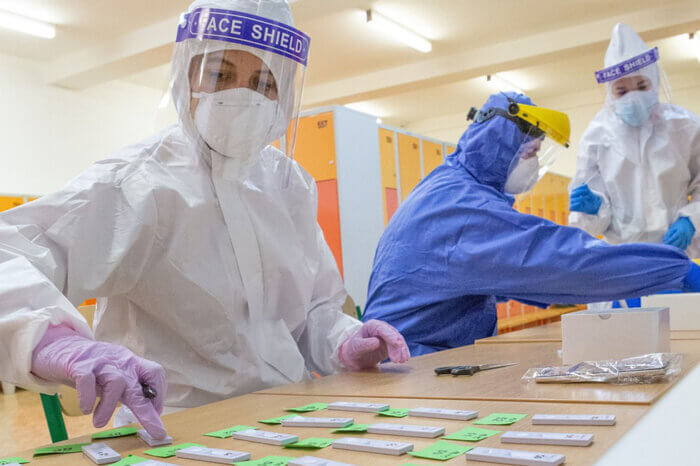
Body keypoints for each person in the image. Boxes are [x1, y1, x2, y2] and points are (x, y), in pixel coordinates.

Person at [0, 0, 409, 439]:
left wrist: (345, 340)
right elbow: (10, 252)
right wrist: (53, 341)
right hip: (175, 428)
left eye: (263, 81)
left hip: (291, 413)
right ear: (186, 77)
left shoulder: (291, 186)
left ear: (284, 93)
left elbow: (313, 310)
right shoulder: (138, 184)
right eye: (220, 74)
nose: (242, 96)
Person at [361, 91, 700, 356]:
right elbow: (566, 260)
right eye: (530, 152)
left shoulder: (449, 186)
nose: (534, 165)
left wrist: (550, 289)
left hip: (413, 361)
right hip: (412, 368)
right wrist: (675, 269)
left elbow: (499, 271)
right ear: (497, 147)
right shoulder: (463, 208)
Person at [569, 23, 700, 258]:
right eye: (622, 91)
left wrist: (692, 219)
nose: (634, 98)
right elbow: (588, 225)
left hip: (679, 254)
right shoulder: (596, 138)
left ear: (655, 82)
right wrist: (594, 207)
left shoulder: (685, 127)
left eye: (641, 86)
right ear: (610, 93)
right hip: (624, 260)